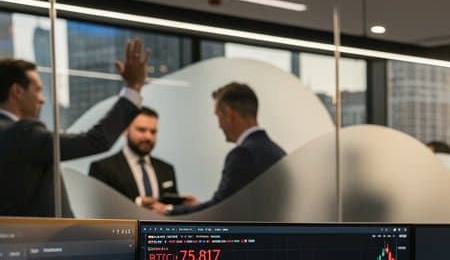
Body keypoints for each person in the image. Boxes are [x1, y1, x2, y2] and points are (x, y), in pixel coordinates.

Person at [0, 39, 149, 217]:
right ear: (17, 91)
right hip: (40, 240)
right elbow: (95, 140)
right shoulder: (22, 133)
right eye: (38, 90)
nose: (42, 99)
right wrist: (133, 88)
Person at [139, 82, 283, 215]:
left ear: (229, 114)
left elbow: (221, 208)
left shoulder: (243, 154)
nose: (219, 125)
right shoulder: (276, 151)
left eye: (218, 116)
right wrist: (197, 206)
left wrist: (168, 209)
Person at [88, 106, 179, 202]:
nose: (148, 137)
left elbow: (173, 210)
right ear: (125, 130)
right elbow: (98, 209)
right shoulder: (102, 169)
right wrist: (138, 205)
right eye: (141, 130)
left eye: (153, 132)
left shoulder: (167, 169)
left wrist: (188, 207)